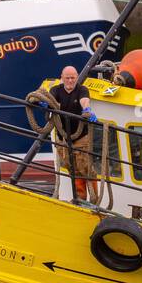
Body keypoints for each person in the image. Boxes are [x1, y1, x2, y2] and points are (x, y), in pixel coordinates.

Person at [49, 65, 99, 202]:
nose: (70, 81)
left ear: (77, 78)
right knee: (73, 168)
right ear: (62, 77)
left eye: (73, 78)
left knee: (86, 168)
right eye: (67, 78)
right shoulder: (56, 90)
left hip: (81, 138)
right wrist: (44, 103)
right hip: (63, 138)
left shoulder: (82, 90)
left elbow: (84, 100)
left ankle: (94, 199)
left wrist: (87, 109)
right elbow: (51, 100)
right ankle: (80, 199)